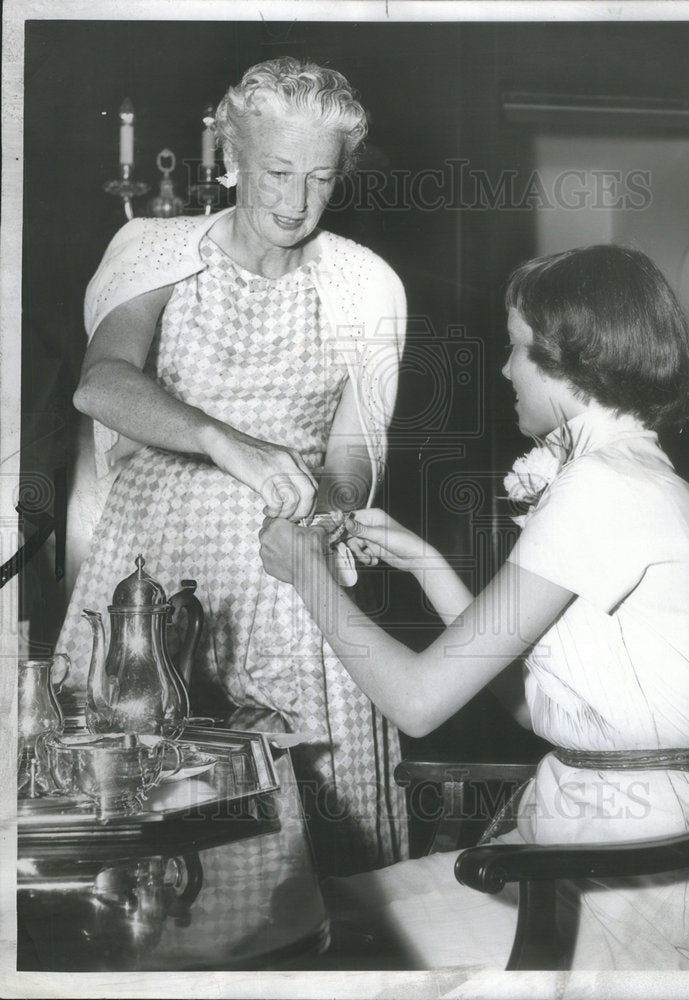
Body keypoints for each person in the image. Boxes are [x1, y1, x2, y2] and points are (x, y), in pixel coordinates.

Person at [259, 245, 689, 969]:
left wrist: (310, 578)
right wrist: (428, 564)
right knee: (314, 916)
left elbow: (419, 704)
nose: (504, 370)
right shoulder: (624, 471)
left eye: (519, 349)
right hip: (585, 843)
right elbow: (536, 705)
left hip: (629, 888)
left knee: (304, 937)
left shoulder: (603, 488)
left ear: (573, 360)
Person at [57, 58, 407, 876]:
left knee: (309, 850)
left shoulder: (365, 285)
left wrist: (330, 504)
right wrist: (225, 441)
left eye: (321, 177)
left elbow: (356, 453)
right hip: (157, 580)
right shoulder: (154, 250)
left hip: (292, 588)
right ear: (231, 158)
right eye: (278, 171)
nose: (296, 199)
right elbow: (101, 383)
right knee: (148, 832)